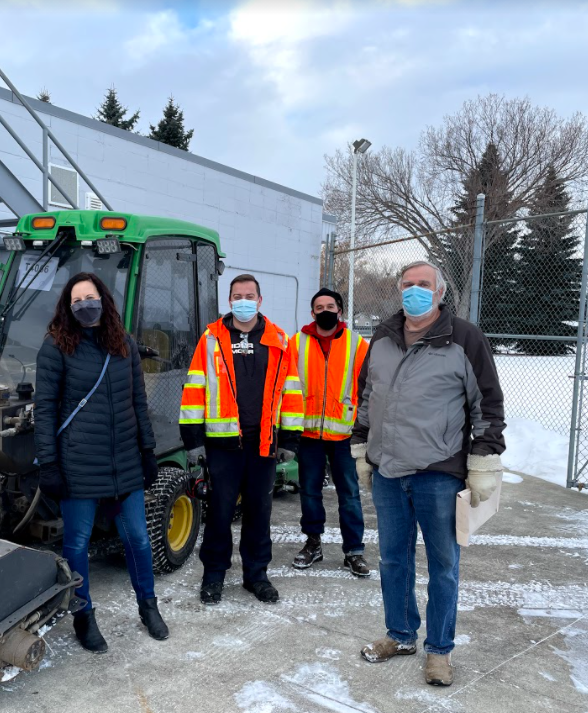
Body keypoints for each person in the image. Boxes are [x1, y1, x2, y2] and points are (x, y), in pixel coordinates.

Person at [353, 261, 505, 687]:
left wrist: (483, 462)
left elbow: (487, 405)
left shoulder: (464, 338)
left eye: (424, 284)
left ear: (440, 293)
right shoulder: (382, 337)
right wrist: (362, 448)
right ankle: (401, 635)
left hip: (438, 472)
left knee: (443, 565)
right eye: (408, 284)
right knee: (392, 559)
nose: (414, 291)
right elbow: (367, 396)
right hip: (388, 471)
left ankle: (439, 650)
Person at [34, 272, 168, 653]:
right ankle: (83, 616)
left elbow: (138, 402)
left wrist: (147, 451)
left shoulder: (124, 344)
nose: (84, 305)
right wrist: (49, 464)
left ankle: (148, 606)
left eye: (89, 297)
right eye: (76, 301)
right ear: (67, 307)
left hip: (124, 461)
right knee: (77, 543)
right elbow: (44, 410)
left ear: (103, 300)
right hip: (79, 464)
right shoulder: (56, 348)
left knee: (137, 538)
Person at [179, 274, 304, 605]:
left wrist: (290, 439)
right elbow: (194, 389)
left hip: (263, 445)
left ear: (260, 301)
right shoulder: (211, 339)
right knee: (219, 513)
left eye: (250, 296)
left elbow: (291, 390)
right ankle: (213, 575)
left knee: (259, 512)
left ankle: (256, 575)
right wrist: (193, 440)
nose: (243, 301)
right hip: (223, 446)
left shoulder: (279, 339)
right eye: (237, 296)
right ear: (229, 300)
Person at [289, 288, 371, 576]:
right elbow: (285, 385)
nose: (325, 311)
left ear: (340, 311)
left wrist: (364, 427)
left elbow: (369, 388)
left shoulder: (357, 344)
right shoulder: (296, 343)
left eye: (330, 306)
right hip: (308, 433)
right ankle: (313, 544)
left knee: (349, 494)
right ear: (312, 313)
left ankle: (354, 551)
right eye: (319, 307)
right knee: (309, 492)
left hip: (346, 434)